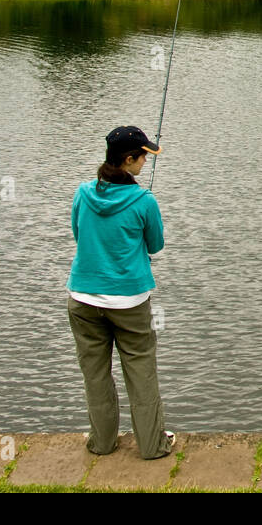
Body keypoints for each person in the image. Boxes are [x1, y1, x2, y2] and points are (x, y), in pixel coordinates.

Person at [66, 125, 175, 460]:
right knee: (141, 373)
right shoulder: (144, 201)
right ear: (128, 159)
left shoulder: (82, 193)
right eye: (143, 156)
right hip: (129, 303)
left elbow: (78, 234)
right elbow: (155, 245)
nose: (145, 162)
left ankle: (102, 443)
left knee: (95, 374)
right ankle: (153, 445)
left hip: (83, 299)